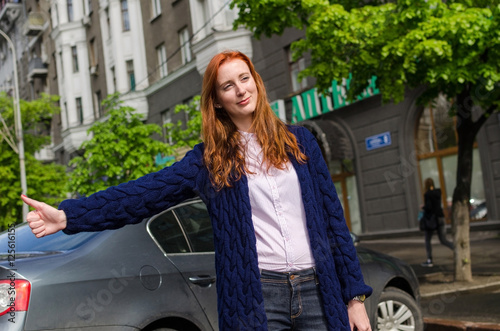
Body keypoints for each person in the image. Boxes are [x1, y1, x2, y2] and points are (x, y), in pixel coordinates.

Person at [21, 50, 372, 331]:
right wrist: (69, 216)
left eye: (244, 78)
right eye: (228, 86)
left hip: (317, 290)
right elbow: (142, 194)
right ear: (217, 100)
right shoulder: (209, 160)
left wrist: (354, 299)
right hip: (257, 296)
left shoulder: (302, 143)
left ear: (257, 82)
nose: (240, 90)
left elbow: (333, 222)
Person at [421, 177, 454, 267]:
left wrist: (423, 207)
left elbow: (429, 207)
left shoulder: (427, 194)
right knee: (443, 239)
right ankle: (457, 250)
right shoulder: (438, 192)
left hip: (431, 219)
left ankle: (429, 260)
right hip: (440, 217)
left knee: (427, 240)